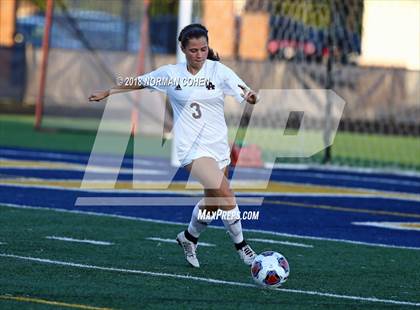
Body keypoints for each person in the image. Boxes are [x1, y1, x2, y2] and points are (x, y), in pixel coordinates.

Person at [89, 23, 258, 268]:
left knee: (212, 202)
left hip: (218, 146)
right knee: (226, 193)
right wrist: (108, 91)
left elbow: (244, 89)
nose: (199, 54)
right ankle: (242, 247)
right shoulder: (171, 74)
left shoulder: (218, 71)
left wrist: (251, 96)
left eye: (203, 49)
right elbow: (139, 81)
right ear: (183, 50)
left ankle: (189, 237)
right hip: (190, 149)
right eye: (193, 50)